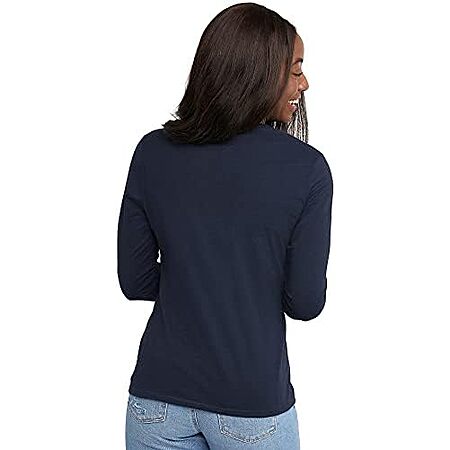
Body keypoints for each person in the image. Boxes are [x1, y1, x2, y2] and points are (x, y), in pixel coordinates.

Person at [117, 3, 333, 449]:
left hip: (156, 402)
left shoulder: (152, 152)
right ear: (259, 73)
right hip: (251, 405)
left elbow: (134, 281)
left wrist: (197, 281)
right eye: (296, 70)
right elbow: (305, 302)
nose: (305, 83)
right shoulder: (307, 169)